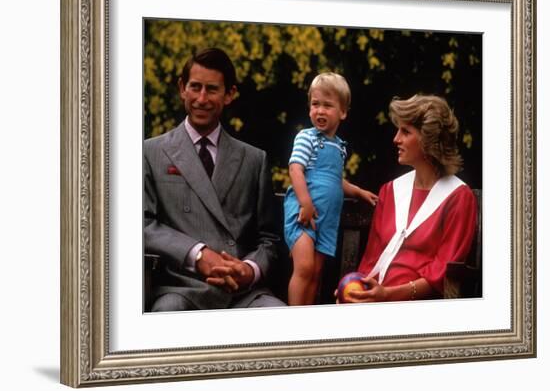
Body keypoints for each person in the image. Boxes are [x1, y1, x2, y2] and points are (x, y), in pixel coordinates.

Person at [144, 47, 285, 311]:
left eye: (212, 89)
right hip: (181, 289)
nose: (201, 98)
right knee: (165, 319)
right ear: (181, 88)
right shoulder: (150, 152)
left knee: (281, 319)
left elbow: (269, 239)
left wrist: (250, 269)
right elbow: (141, 224)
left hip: (243, 294)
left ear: (229, 94)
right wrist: (197, 254)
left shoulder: (254, 159)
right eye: (195, 87)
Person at [339, 94, 477, 303]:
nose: (396, 139)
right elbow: (370, 262)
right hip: (375, 302)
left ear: (429, 140)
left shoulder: (458, 197)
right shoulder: (390, 191)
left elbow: (442, 275)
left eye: (406, 131)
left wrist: (387, 295)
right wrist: (354, 291)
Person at [284, 72, 378, 306]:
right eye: (315, 104)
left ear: (343, 112)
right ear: (309, 109)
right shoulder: (307, 137)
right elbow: (295, 170)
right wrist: (305, 203)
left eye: (328, 105)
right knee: (304, 267)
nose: (320, 111)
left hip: (328, 219)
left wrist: (357, 192)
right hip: (304, 213)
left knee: (316, 272)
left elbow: (336, 180)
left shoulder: (339, 147)